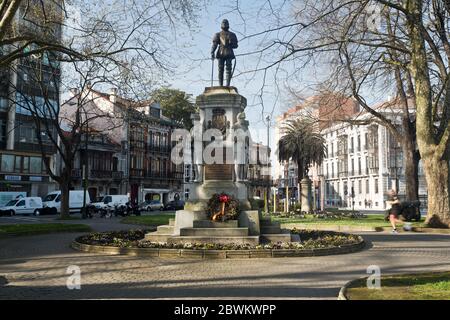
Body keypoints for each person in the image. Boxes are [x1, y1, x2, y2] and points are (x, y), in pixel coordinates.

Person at [211, 19, 238, 87]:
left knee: (228, 69)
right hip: (221, 53)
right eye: (223, 23)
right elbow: (215, 44)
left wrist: (231, 43)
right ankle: (220, 85)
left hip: (229, 53)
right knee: (220, 69)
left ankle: (227, 84)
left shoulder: (232, 35)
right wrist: (212, 51)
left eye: (226, 23)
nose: (225, 24)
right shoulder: (218, 34)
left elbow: (236, 45)